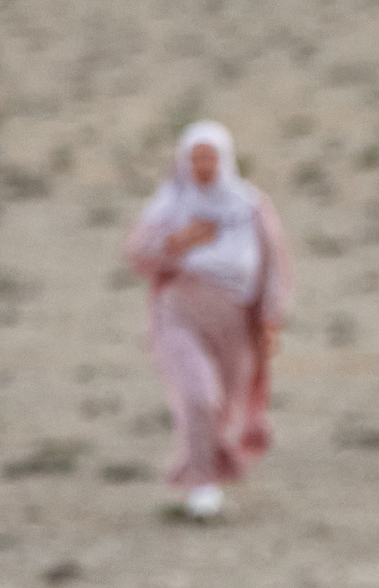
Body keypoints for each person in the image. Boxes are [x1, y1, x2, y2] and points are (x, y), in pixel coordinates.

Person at [123, 121, 293, 519]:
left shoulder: (249, 206)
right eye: (196, 157)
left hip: (235, 318)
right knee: (199, 395)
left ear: (225, 159)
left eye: (210, 157)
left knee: (227, 404)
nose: (204, 165)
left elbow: (273, 265)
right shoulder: (170, 205)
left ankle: (213, 470)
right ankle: (201, 486)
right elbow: (138, 255)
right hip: (179, 311)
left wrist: (271, 318)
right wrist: (182, 241)